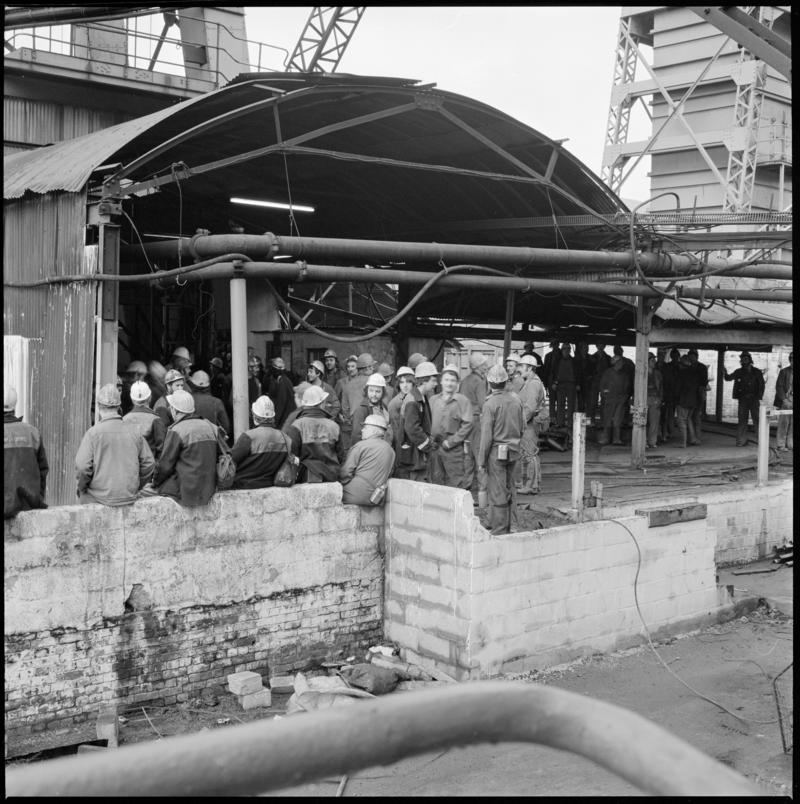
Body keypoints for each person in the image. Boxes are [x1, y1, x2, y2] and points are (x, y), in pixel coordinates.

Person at [75, 383, 154, 506]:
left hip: (98, 498)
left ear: (99, 406)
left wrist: (81, 488)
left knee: (81, 498)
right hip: (129, 497)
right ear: (118, 406)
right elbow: (149, 463)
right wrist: (136, 486)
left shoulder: (93, 433)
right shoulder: (134, 432)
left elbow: (82, 467)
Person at [151, 389, 223, 506]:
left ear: (174, 410)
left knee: (154, 489)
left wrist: (155, 482)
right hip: (210, 488)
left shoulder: (176, 430)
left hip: (188, 491)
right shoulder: (210, 426)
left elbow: (165, 466)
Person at [478, 364, 524, 535]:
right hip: (514, 450)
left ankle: (499, 530)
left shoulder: (490, 404)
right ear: (506, 381)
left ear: (489, 382)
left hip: (496, 453)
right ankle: (513, 526)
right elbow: (522, 427)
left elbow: (486, 437)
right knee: (511, 488)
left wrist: (481, 461)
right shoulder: (516, 400)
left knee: (498, 492)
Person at [4, 386, 48, 517]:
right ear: (15, 405)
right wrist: (38, 498)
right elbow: (43, 470)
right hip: (29, 507)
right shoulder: (33, 432)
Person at [230, 396, 292, 489]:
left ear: (255, 416)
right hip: (270, 484)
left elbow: (231, 460)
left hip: (244, 485)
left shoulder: (248, 437)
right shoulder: (285, 438)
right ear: (273, 416)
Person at [286, 385, 344, 483]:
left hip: (305, 478)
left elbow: (291, 456)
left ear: (305, 405)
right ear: (321, 404)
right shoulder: (334, 426)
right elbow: (341, 456)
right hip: (331, 477)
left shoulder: (296, 426)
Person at [428, 364, 473, 489]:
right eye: (446, 380)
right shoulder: (433, 400)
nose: (449, 383)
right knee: (435, 483)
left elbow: (468, 424)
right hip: (434, 448)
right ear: (441, 381)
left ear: (457, 383)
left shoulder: (463, 401)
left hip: (453, 449)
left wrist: (452, 442)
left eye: (453, 380)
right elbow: (426, 422)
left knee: (455, 483)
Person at [339, 414, 396, 505]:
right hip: (377, 499)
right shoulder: (391, 450)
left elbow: (345, 473)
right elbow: (390, 473)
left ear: (374, 431)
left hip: (354, 495)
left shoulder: (361, 446)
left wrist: (340, 484)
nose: (362, 430)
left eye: (365, 428)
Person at [395, 361, 438, 481]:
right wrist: (427, 445)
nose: (436, 384)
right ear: (424, 380)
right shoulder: (413, 401)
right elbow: (412, 429)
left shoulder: (421, 397)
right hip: (412, 457)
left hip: (416, 455)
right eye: (433, 380)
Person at [516, 354, 546, 494]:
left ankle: (531, 486)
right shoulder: (530, 382)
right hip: (529, 422)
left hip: (529, 423)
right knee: (530, 453)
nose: (519, 369)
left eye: (521, 366)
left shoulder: (533, 384)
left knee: (529, 454)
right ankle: (533, 484)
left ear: (529, 368)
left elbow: (530, 407)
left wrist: (520, 424)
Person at [459, 353, 489, 494]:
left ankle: (466, 485)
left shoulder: (465, 381)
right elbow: (483, 404)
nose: (486, 366)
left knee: (467, 455)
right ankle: (483, 488)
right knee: (479, 454)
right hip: (476, 422)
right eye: (484, 364)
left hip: (464, 422)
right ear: (478, 366)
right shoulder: (480, 381)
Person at [723, 351, 765, 447]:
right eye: (743, 358)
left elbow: (762, 385)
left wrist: (759, 396)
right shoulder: (738, 372)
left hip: (754, 400)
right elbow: (728, 378)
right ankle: (741, 441)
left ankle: (761, 441)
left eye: (746, 358)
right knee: (742, 420)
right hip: (743, 400)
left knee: (757, 420)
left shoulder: (757, 372)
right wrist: (724, 372)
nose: (744, 360)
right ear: (741, 361)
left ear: (750, 360)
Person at [123, 380, 167, 460]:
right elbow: (162, 450)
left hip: (129, 465)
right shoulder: (155, 420)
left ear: (132, 399)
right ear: (150, 397)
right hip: (150, 465)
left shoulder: (124, 420)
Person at [351, 372, 393, 446]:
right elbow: (356, 436)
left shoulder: (383, 407)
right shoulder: (361, 410)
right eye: (371, 390)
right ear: (366, 391)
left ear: (383, 392)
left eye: (378, 391)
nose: (374, 394)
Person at [189, 370, 231, 441]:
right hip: (211, 443)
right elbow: (226, 427)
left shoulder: (187, 401)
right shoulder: (217, 402)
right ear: (208, 385)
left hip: (191, 442)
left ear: (192, 384)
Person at [387, 366, 416, 467]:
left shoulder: (414, 398)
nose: (405, 385)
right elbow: (396, 430)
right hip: (403, 444)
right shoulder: (395, 403)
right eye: (402, 382)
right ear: (398, 384)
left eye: (408, 382)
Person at [597, 356, 629, 446]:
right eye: (619, 362)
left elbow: (627, 387)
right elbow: (602, 386)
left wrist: (624, 398)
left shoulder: (624, 375)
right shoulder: (608, 373)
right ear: (615, 363)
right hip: (610, 399)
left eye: (621, 362)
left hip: (620, 400)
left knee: (617, 420)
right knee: (607, 419)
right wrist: (605, 395)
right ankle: (606, 439)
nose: (621, 364)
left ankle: (616, 439)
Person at [675, 354, 703, 448]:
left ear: (682, 364)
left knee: (681, 421)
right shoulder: (695, 373)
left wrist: (675, 398)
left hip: (683, 401)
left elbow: (678, 389)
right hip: (693, 401)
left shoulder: (681, 374)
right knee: (689, 419)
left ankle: (683, 443)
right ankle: (693, 439)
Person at [265, 356, 296, 429]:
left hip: (284, 421)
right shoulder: (278, 380)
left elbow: (281, 403)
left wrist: (274, 422)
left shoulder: (283, 382)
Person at [586, 343, 611, 426]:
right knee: (593, 402)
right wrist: (590, 378)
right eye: (599, 345)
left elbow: (610, 370)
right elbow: (588, 369)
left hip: (605, 383)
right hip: (594, 382)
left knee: (604, 402)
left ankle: (603, 421)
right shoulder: (592, 357)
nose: (601, 346)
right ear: (596, 346)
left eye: (602, 345)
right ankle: (592, 421)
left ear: (604, 346)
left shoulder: (608, 358)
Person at [687, 348, 709, 442]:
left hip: (698, 394)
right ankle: (693, 437)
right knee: (691, 417)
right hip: (691, 395)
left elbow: (704, 382)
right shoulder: (689, 368)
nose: (691, 358)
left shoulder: (701, 367)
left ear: (696, 357)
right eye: (690, 357)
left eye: (692, 356)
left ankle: (696, 437)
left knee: (696, 416)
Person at [660, 348, 681, 443]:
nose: (675, 358)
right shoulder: (667, 367)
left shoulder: (675, 366)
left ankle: (668, 432)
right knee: (666, 415)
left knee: (670, 415)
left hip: (676, 394)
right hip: (669, 394)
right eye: (674, 356)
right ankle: (667, 433)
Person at [774, 352, 793, 451]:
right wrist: (784, 400)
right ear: (790, 360)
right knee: (783, 423)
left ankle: (790, 444)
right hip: (787, 400)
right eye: (792, 359)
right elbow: (779, 387)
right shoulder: (784, 372)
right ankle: (781, 445)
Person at [645, 353, 663, 449]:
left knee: (654, 422)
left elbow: (661, 388)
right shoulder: (640, 372)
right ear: (646, 361)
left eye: (654, 360)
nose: (654, 362)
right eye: (652, 360)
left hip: (655, 399)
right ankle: (643, 441)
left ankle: (652, 441)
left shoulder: (658, 373)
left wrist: (660, 399)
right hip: (643, 399)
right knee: (642, 421)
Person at [541, 340, 560, 423]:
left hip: (560, 380)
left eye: (555, 344)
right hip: (550, 379)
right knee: (552, 400)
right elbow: (546, 370)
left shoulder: (562, 355)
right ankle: (552, 419)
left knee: (560, 400)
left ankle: (559, 419)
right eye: (553, 345)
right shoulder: (548, 356)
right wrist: (545, 383)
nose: (554, 346)